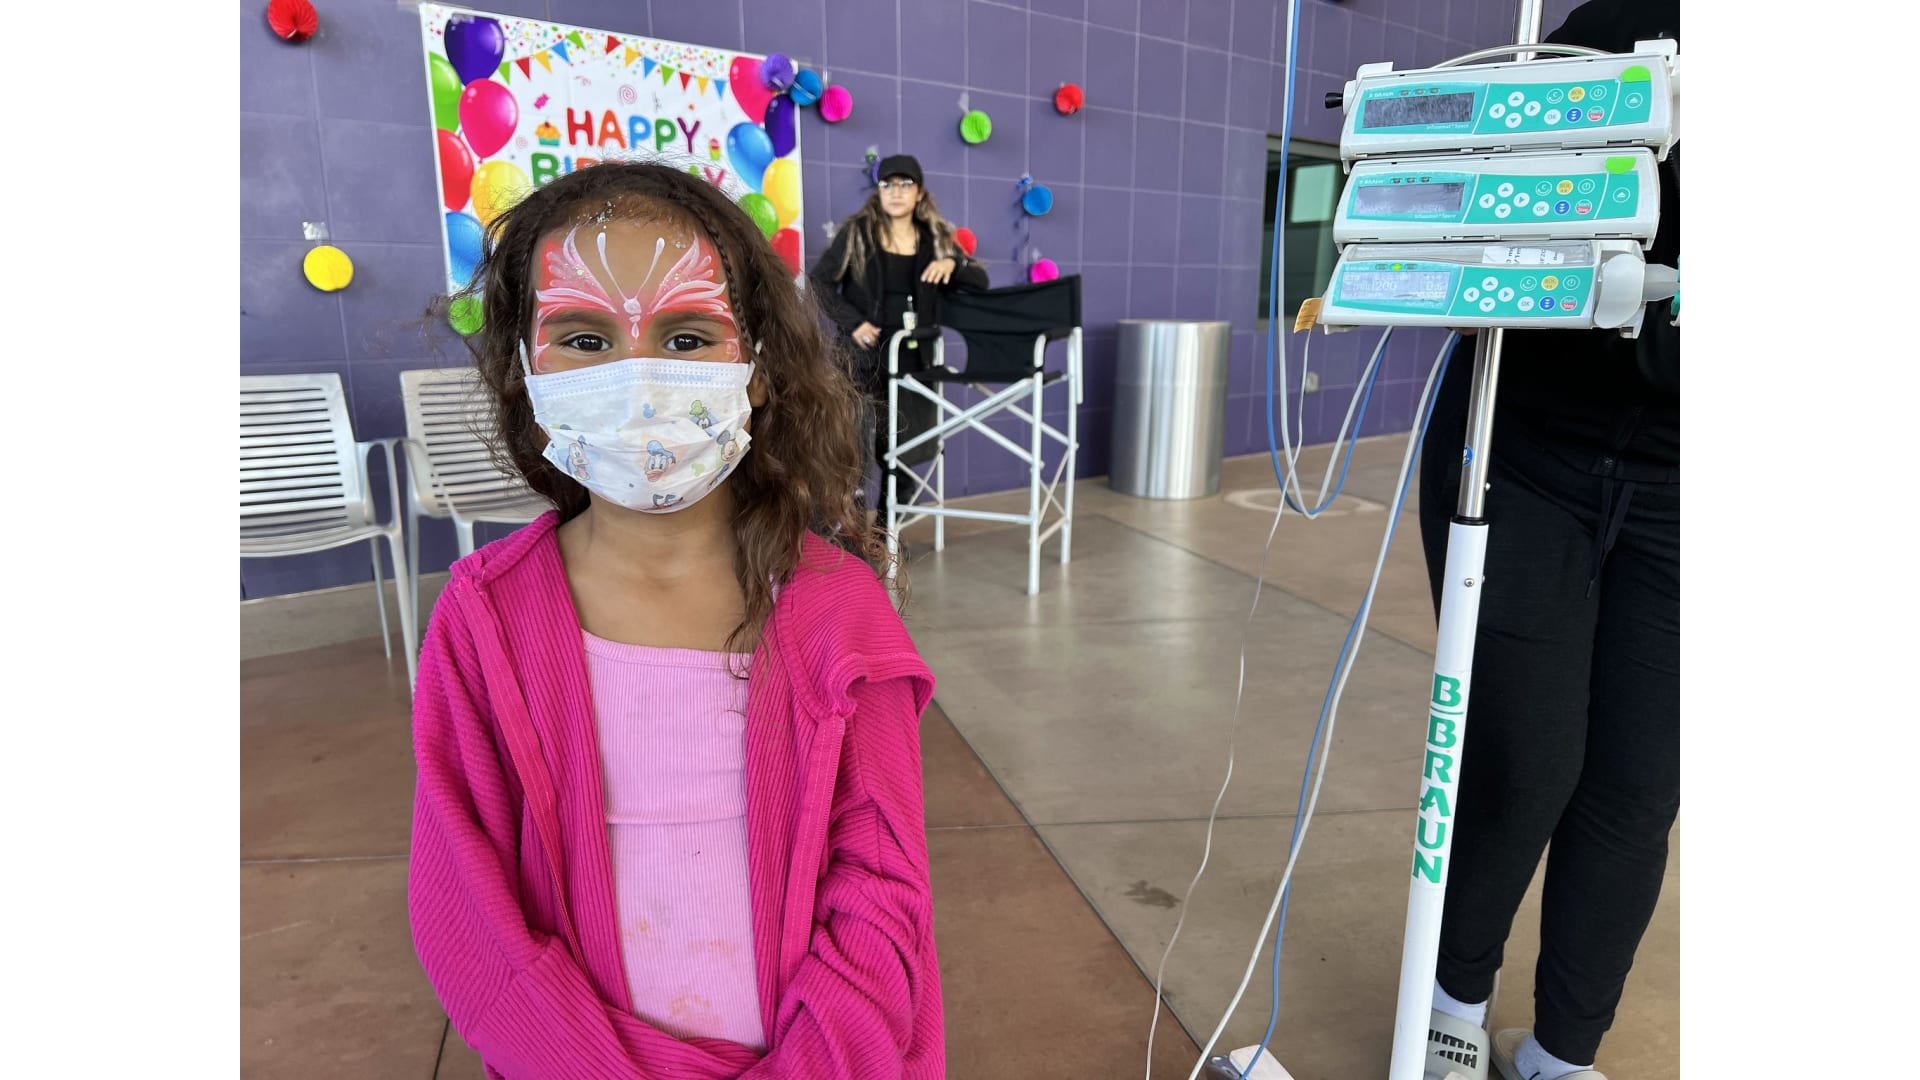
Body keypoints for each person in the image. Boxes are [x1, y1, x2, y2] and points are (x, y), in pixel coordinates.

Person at [408, 160, 945, 1079]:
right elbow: (466, 910)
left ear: (759, 369)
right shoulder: (484, 622)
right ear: (527, 374)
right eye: (584, 339)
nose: (638, 378)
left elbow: (883, 887)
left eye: (687, 337)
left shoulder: (838, 613)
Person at [1418, 3, 1679, 1080]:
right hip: (1524, 443)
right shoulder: (1616, 22)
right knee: (1522, 762)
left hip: (1691, 482)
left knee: (1637, 785)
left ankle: (1561, 1057)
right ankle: (1447, 1017)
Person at [808, 155, 987, 521]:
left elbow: (979, 282)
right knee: (854, 450)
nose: (896, 191)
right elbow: (819, 282)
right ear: (879, 191)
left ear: (919, 192)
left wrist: (953, 264)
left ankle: (889, 531)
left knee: (904, 449)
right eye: (888, 184)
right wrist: (854, 323)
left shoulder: (935, 238)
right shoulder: (858, 232)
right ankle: (855, 535)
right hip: (862, 357)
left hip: (912, 360)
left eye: (905, 184)